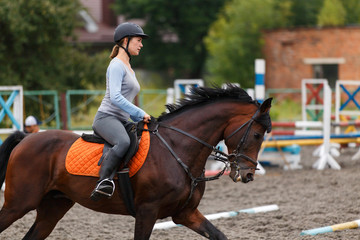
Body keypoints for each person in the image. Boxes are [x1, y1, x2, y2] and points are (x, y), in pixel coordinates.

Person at [90, 22, 151, 201]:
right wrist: (140, 113)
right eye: (138, 40)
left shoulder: (129, 68)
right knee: (123, 142)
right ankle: (103, 181)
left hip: (122, 120)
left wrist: (139, 118)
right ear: (125, 41)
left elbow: (126, 102)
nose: (141, 44)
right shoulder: (116, 65)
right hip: (106, 119)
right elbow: (116, 98)